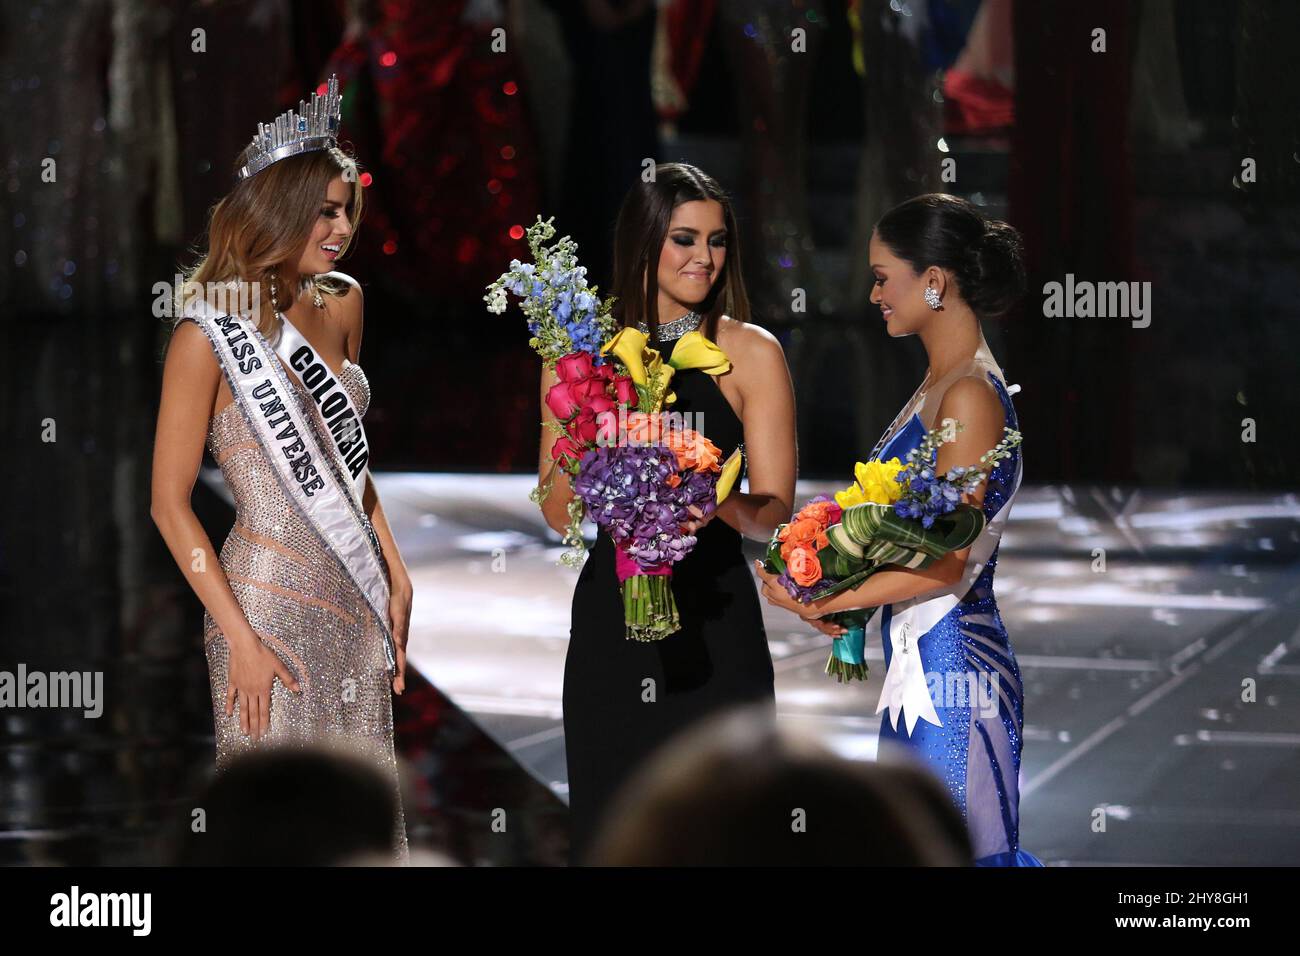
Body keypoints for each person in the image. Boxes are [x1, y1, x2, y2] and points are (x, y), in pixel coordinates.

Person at [150, 76, 411, 862]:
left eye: (347, 209)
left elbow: (348, 466)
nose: (341, 227)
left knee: (360, 814)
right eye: (324, 210)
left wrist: (395, 571)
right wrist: (239, 637)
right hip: (262, 604)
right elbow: (169, 505)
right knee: (276, 827)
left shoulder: (346, 302)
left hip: (355, 599)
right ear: (277, 208)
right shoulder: (208, 332)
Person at [755, 193, 1042, 866]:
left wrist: (825, 596)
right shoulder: (937, 385)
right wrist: (825, 565)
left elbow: (947, 562)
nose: (874, 292)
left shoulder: (968, 395)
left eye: (884, 276)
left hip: (955, 666)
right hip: (919, 659)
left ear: (934, 280)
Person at [541, 163, 797, 864]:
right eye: (684, 238)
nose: (703, 258)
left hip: (716, 624)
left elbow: (775, 514)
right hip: (612, 628)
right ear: (645, 240)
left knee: (728, 832)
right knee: (613, 828)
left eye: (716, 241)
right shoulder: (582, 351)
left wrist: (702, 495)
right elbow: (556, 508)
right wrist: (600, 448)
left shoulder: (752, 353)